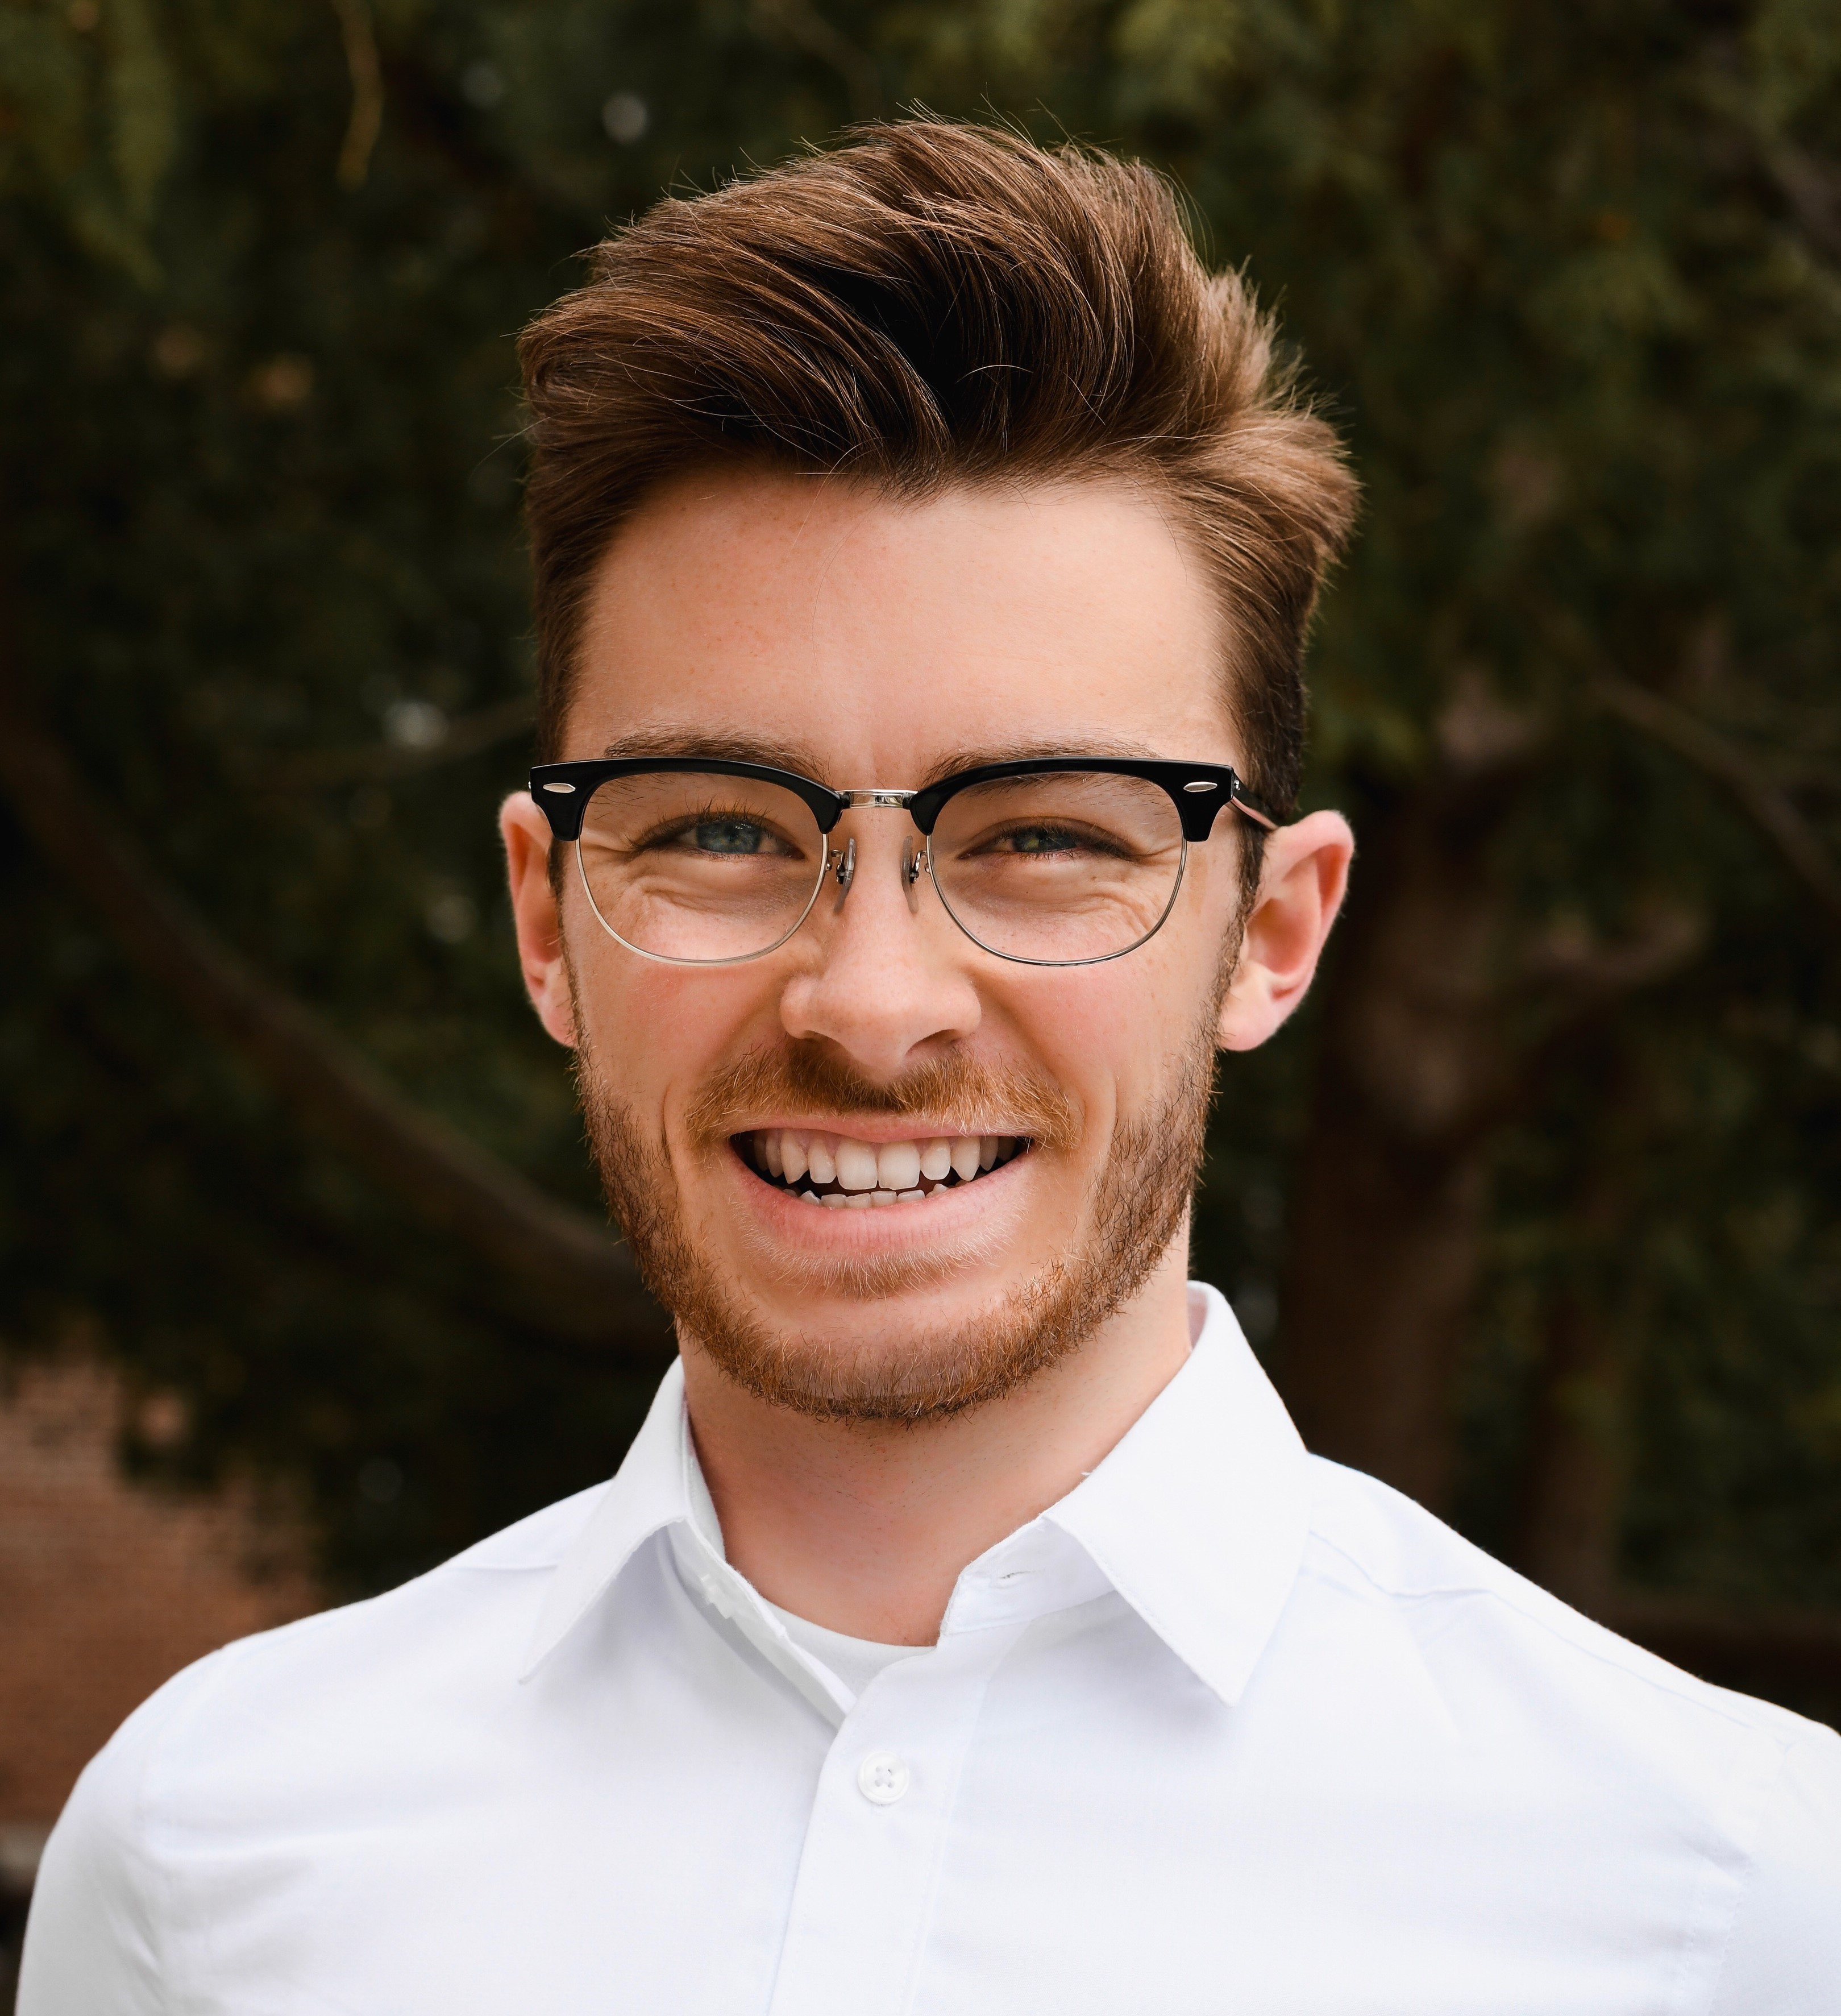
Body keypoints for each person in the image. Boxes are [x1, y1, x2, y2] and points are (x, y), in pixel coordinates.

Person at [21, 119, 1840, 2015]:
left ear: (1274, 932)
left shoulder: (1738, 1903)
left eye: (1046, 835)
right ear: (548, 918)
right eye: (719, 828)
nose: (871, 1004)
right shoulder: (204, 1861)